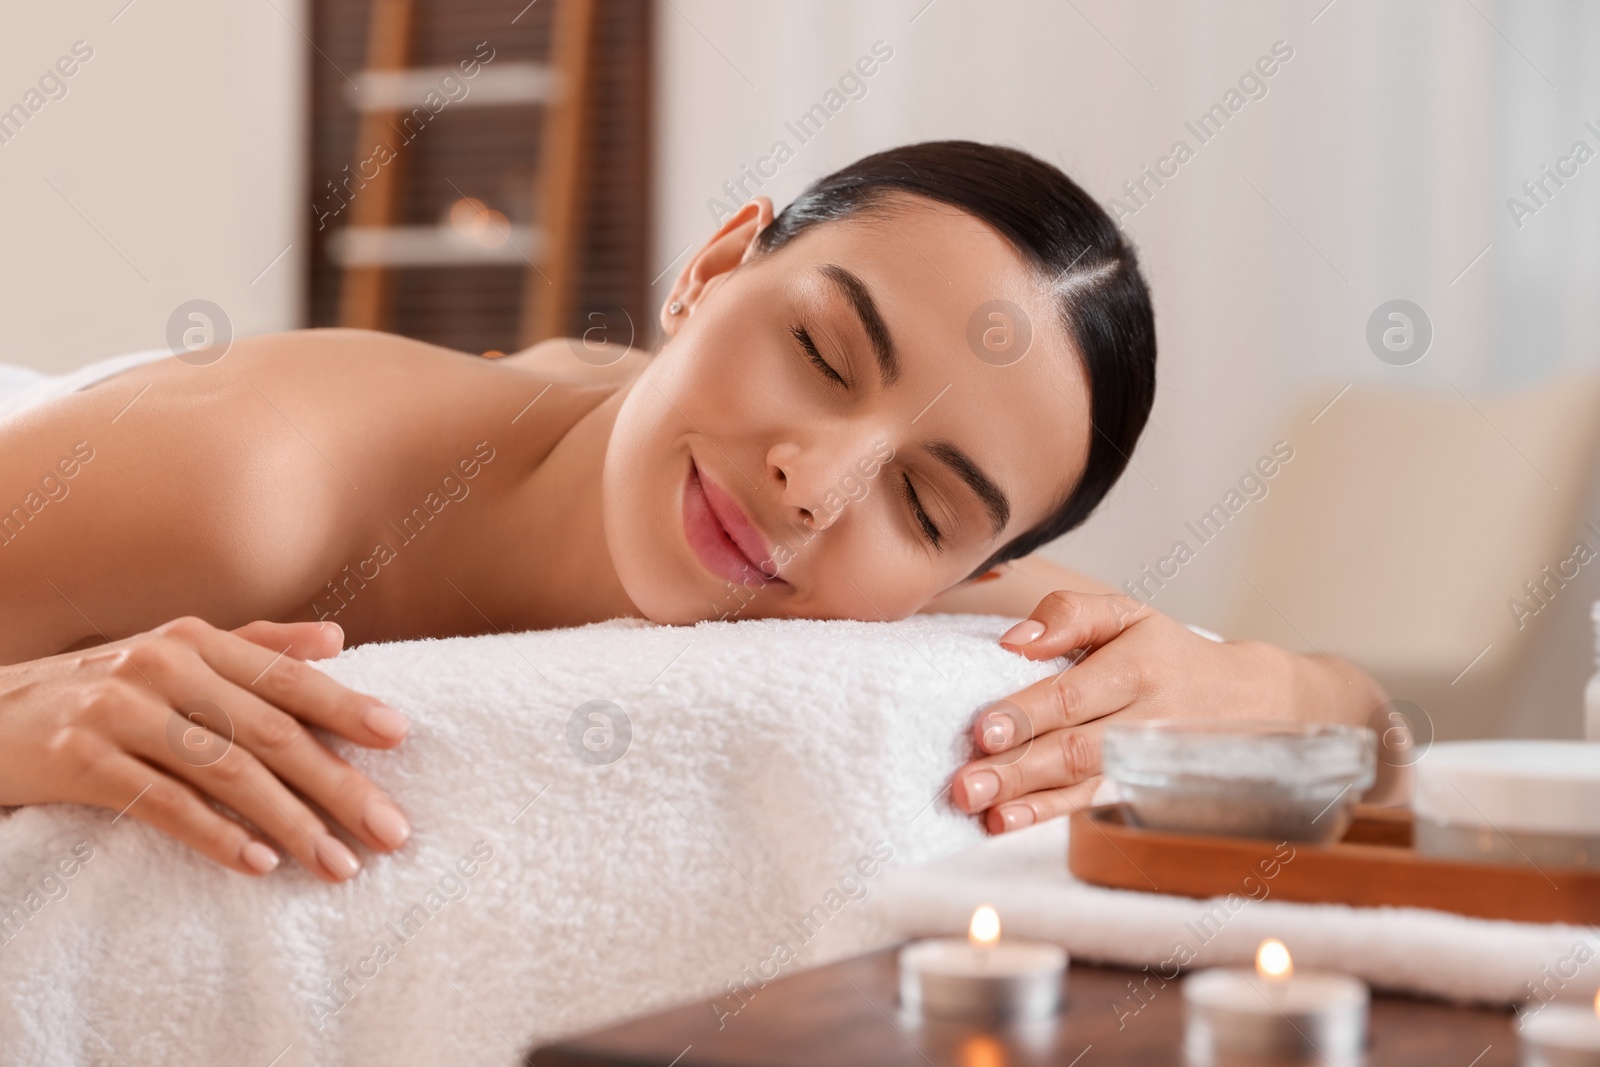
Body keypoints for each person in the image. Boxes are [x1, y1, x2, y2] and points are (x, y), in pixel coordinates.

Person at [0, 141, 1399, 884]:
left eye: (923, 503)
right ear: (717, 267)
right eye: (823, 351)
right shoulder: (258, 487)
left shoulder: (931, 601)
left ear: (974, 569)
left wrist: (1263, 682)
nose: (816, 480)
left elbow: (1372, 731)